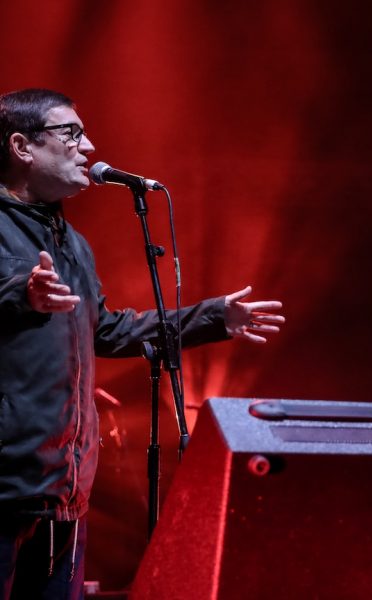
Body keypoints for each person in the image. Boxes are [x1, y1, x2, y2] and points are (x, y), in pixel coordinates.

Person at [0, 88, 285, 599]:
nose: (88, 148)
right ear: (22, 146)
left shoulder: (73, 242)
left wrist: (213, 317)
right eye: (72, 134)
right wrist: (21, 292)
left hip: (62, 491)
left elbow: (107, 330)